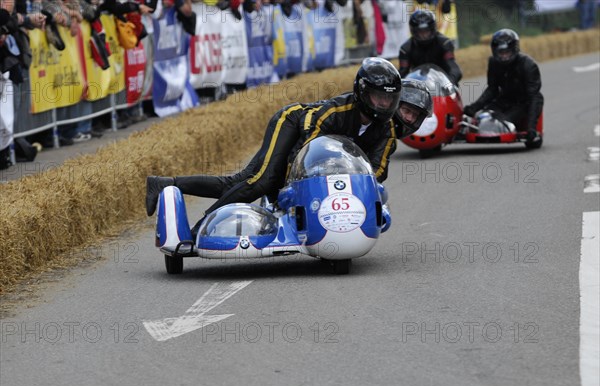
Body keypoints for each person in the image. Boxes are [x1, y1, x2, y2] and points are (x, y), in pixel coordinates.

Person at [145, 57, 430, 236]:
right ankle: (202, 229)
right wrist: (288, 184)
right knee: (263, 181)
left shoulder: (387, 129)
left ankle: (165, 184)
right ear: (362, 92)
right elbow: (307, 150)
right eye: (377, 97)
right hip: (292, 125)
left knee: (238, 182)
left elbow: (376, 170)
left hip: (312, 145)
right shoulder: (337, 112)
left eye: (387, 99)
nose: (382, 104)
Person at [463, 28, 543, 144]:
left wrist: (531, 127)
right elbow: (492, 89)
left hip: (524, 102)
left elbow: (534, 97)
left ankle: (512, 124)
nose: (504, 56)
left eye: (507, 52)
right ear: (495, 51)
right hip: (504, 99)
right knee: (482, 119)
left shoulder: (528, 65)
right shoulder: (493, 63)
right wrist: (474, 108)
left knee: (502, 122)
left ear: (514, 50)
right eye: (501, 53)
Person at [398, 9, 462, 86]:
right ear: (414, 31)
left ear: (432, 29)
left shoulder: (444, 43)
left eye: (426, 31)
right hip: (419, 86)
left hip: (444, 85)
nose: (424, 35)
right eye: (421, 32)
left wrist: (450, 81)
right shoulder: (405, 49)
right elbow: (402, 73)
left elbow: (454, 68)